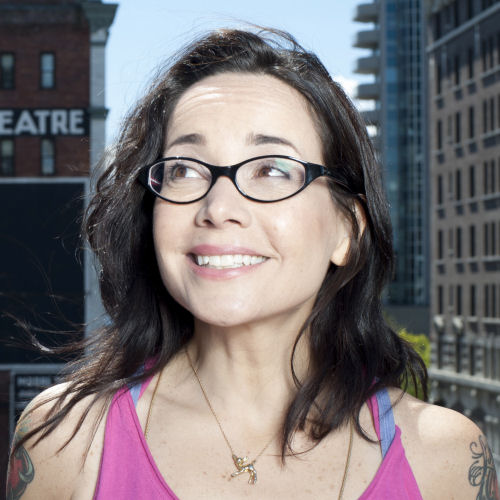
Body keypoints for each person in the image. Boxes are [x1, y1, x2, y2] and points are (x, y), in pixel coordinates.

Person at [6, 27, 499, 500]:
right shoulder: (64, 442)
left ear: (347, 229)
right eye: (184, 169)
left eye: (272, 169)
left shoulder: (448, 461)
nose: (218, 208)